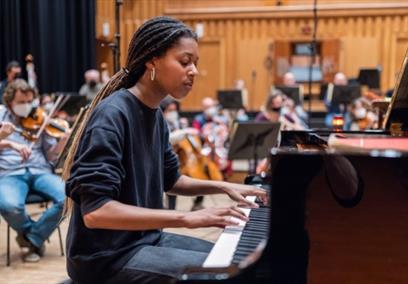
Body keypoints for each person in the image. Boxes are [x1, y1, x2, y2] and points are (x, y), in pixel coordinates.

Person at [63, 16, 267, 284]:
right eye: (184, 62)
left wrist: (223, 186)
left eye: (195, 63)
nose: (193, 70)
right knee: (225, 276)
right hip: (106, 257)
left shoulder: (155, 114)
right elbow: (96, 213)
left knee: (238, 264)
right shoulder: (113, 115)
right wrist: (187, 217)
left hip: (145, 239)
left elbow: (172, 180)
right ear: (152, 61)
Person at [0, 79, 67, 262]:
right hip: (9, 173)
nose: (26, 106)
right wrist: (4, 138)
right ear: (9, 102)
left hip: (40, 170)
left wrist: (61, 143)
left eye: (29, 101)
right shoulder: (0, 115)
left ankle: (31, 239)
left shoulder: (40, 117)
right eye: (21, 102)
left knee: (69, 197)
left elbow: (52, 156)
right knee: (10, 206)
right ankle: (35, 239)